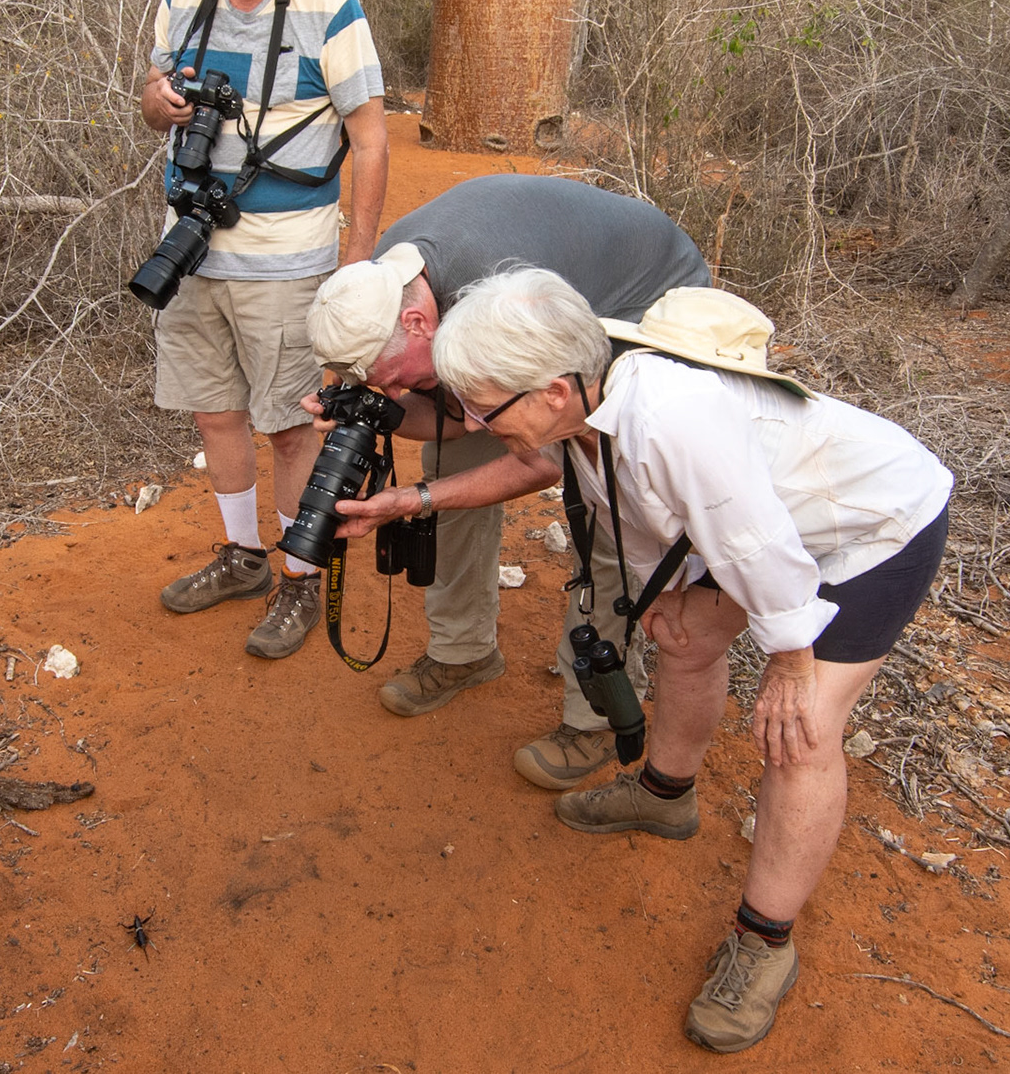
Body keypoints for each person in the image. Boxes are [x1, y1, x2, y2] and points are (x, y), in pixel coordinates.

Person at [428, 269, 952, 1054]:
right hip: (773, 517)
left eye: (485, 404)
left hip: (869, 525)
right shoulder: (588, 411)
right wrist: (674, 598)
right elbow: (657, 519)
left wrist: (791, 660)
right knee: (685, 638)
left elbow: (756, 542)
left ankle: (764, 942)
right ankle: (665, 795)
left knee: (803, 730)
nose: (473, 419)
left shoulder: (672, 415)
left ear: (556, 390)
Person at [303, 175, 710, 788]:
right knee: (457, 457)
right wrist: (371, 409)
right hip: (519, 313)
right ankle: (463, 650)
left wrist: (412, 498)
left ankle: (594, 715)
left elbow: (546, 456)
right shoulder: (387, 281)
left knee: (602, 509)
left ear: (417, 322)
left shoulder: (492, 302)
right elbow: (447, 421)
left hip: (642, 298)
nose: (390, 393)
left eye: (389, 379)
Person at [139, 0, 389, 659]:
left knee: (289, 424)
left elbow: (372, 137)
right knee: (216, 411)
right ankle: (243, 554)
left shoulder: (330, 4)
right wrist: (161, 105)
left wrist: (356, 262)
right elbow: (150, 87)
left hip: (290, 257)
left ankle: (298, 579)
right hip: (191, 243)